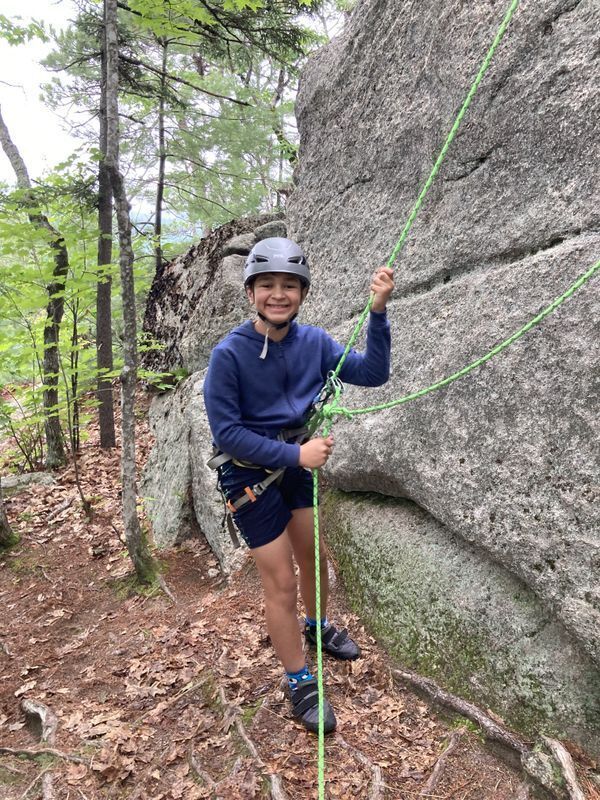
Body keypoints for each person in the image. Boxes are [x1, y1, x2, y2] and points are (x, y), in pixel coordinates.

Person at [204, 237, 393, 734]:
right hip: (249, 475)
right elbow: (227, 433)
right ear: (251, 292)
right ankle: (298, 680)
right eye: (267, 285)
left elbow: (373, 373)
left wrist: (377, 312)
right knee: (281, 581)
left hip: (295, 464)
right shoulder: (229, 355)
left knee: (314, 559)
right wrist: (296, 455)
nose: (278, 294)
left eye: (289, 285)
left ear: (302, 293)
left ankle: (316, 627)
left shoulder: (315, 343)